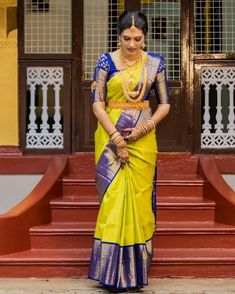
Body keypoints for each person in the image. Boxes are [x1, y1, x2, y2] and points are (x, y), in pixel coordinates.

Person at [88, 10, 170, 292]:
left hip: (143, 139)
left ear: (144, 38)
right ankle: (109, 273)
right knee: (113, 201)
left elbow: (165, 104)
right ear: (118, 36)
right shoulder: (105, 61)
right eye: (126, 38)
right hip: (110, 135)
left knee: (139, 201)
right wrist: (117, 139)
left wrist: (143, 129)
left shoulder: (156, 63)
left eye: (137, 38)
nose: (132, 44)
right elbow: (98, 105)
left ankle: (134, 273)